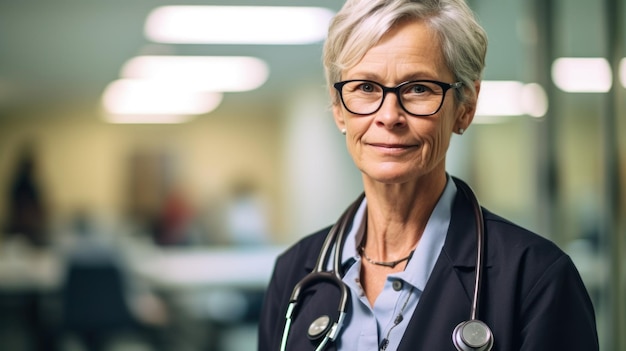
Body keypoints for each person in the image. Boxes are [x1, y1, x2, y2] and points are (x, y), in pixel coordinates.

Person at [258, 0, 599, 350]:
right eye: (365, 87)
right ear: (338, 108)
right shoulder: (294, 274)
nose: (389, 116)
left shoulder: (536, 280)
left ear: (465, 107)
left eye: (418, 88)